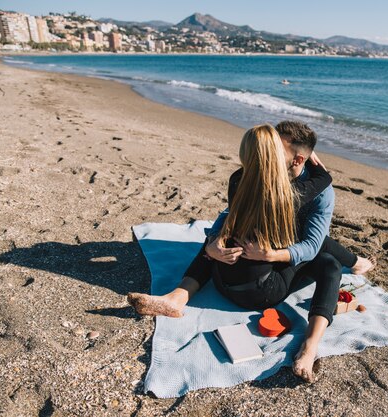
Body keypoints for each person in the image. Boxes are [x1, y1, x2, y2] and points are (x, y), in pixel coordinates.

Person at [128, 122, 374, 382]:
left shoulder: (311, 192)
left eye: (274, 149)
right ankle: (177, 297)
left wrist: (266, 254)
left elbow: (311, 243)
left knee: (315, 245)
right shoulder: (272, 183)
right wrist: (215, 240)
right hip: (259, 284)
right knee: (327, 261)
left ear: (298, 159)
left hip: (243, 267)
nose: (265, 154)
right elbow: (232, 216)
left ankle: (310, 344)